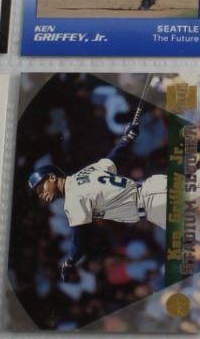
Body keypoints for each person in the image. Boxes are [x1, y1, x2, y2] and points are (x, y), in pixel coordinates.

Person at [28, 119, 165, 285]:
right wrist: (127, 138)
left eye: (40, 187)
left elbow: (80, 243)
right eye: (38, 192)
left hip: (155, 203)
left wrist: (69, 262)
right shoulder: (85, 172)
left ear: (52, 177)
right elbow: (114, 158)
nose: (41, 194)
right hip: (153, 191)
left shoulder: (73, 198)